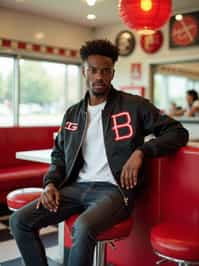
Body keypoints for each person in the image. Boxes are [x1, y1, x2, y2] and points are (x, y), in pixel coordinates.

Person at [10, 39, 189, 266]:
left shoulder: (134, 106)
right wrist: (50, 184)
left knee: (83, 227)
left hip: (114, 191)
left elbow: (177, 131)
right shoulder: (73, 114)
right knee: (19, 221)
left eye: (105, 71)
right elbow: (59, 155)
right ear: (85, 72)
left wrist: (142, 151)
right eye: (93, 70)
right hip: (75, 188)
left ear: (112, 73)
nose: (99, 77)